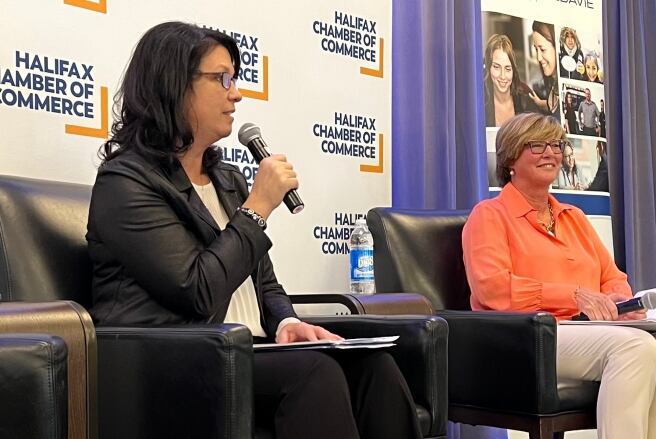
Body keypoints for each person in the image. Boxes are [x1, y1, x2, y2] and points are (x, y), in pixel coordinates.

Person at [86, 22, 422, 439]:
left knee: (374, 366)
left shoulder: (227, 180)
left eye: (236, 79)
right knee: (312, 373)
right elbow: (198, 291)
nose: (237, 93)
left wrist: (284, 323)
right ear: (173, 85)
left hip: (248, 349)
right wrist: (259, 206)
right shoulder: (126, 182)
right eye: (221, 78)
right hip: (178, 357)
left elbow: (266, 285)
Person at [462, 112, 656, 439]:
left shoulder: (574, 217)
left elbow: (612, 276)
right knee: (634, 348)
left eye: (556, 145)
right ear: (511, 156)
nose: (551, 153)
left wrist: (620, 301)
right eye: (537, 145)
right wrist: (574, 296)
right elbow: (492, 290)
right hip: (529, 336)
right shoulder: (489, 216)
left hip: (592, 329)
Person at [483, 34, 526, 127]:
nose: (502, 76)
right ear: (488, 68)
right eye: (496, 67)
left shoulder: (525, 100)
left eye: (507, 69)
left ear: (513, 70)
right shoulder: (479, 102)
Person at [529, 21, 560, 121]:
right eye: (536, 49)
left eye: (542, 50)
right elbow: (552, 105)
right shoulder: (553, 85)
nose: (538, 58)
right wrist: (538, 102)